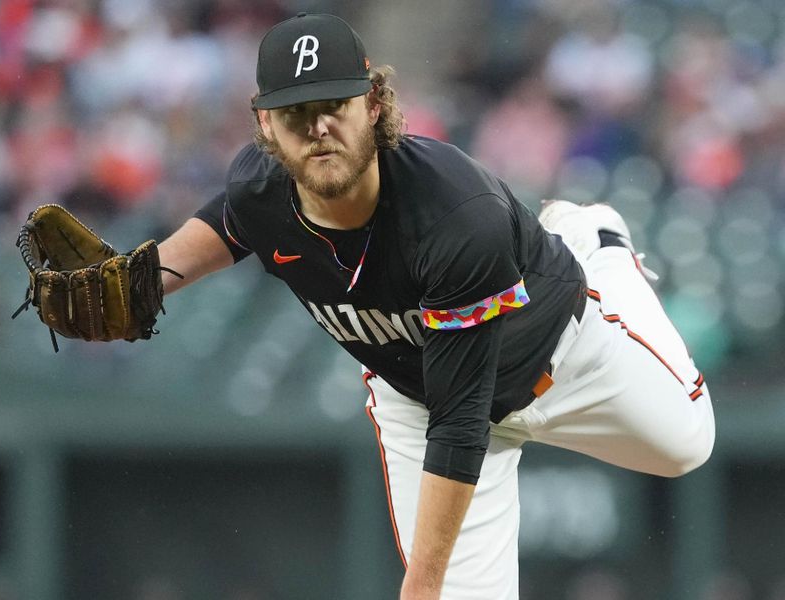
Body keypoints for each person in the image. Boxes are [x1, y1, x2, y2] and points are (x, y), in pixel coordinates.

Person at [153, 13, 715, 600]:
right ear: (266, 122)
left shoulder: (455, 215)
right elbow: (230, 222)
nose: (318, 127)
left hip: (561, 357)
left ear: (372, 103)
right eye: (296, 112)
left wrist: (420, 586)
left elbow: (462, 421)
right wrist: (144, 282)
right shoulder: (259, 188)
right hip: (420, 396)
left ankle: (597, 245)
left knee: (687, 446)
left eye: (334, 105)